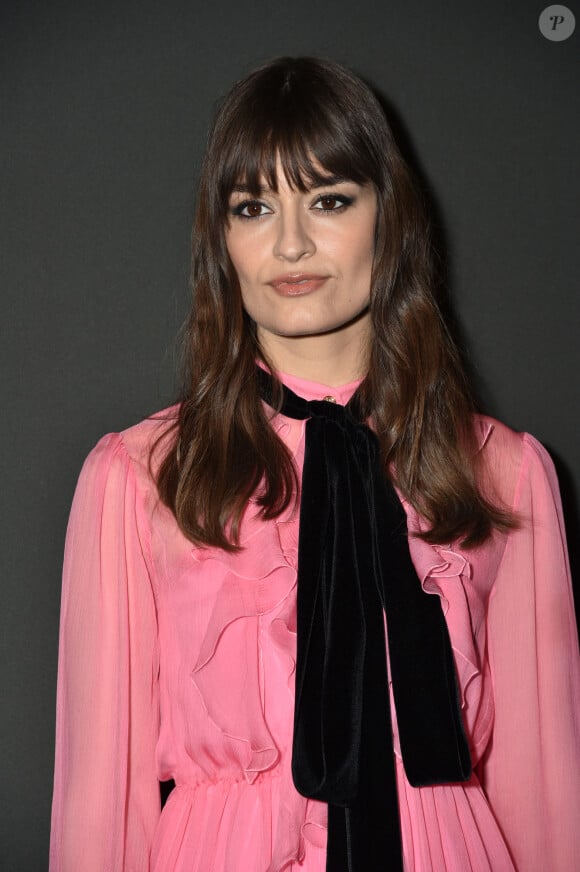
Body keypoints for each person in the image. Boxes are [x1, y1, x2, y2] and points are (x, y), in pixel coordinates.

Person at [49, 57, 580, 872]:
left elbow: (550, 800)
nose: (291, 242)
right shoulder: (138, 476)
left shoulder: (504, 472)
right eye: (254, 207)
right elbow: (98, 805)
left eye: (329, 200)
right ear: (222, 240)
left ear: (387, 218)